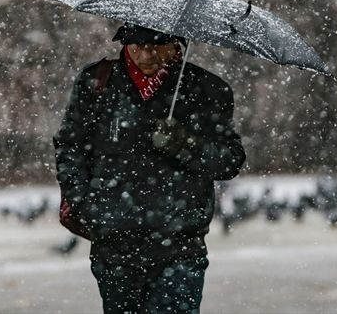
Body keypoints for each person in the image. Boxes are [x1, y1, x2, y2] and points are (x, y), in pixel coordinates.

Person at [53, 23, 246, 313]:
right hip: (115, 243)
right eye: (137, 47)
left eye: (156, 46)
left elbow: (230, 160)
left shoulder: (205, 89)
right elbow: (70, 146)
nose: (146, 56)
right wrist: (85, 202)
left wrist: (184, 145)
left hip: (180, 245)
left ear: (176, 45)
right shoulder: (98, 83)